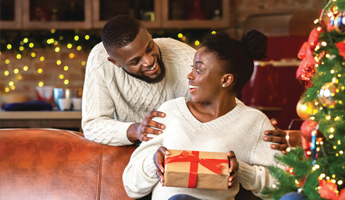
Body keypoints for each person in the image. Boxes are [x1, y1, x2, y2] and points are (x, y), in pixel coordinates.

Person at [82, 15, 298, 150]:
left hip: (179, 151)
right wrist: (136, 130)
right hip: (133, 150)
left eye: (149, 47)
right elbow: (92, 124)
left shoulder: (185, 59)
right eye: (136, 61)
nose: (149, 61)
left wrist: (261, 131)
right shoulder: (101, 61)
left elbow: (222, 103)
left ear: (149, 34)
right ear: (115, 62)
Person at [123, 31, 281, 200]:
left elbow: (281, 184)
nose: (190, 76)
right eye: (192, 69)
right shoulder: (169, 112)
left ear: (226, 80)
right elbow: (131, 186)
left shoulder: (254, 123)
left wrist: (241, 171)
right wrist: (153, 163)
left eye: (198, 70)